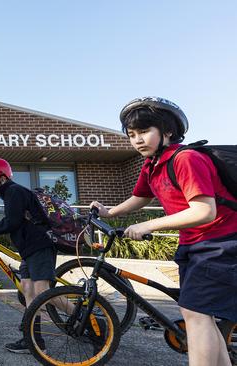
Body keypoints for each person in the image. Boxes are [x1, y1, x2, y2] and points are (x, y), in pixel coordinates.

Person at [91, 97, 237, 366]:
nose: (137, 140)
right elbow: (140, 199)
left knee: (195, 313)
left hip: (220, 244)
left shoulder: (186, 159)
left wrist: (149, 225)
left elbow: (205, 211)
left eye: (144, 131)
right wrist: (108, 212)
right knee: (199, 315)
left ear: (167, 131)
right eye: (132, 135)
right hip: (195, 246)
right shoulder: (152, 165)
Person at [0, 158, 56, 354]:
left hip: (39, 246)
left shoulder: (14, 191)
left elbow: (13, 222)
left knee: (43, 294)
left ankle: (92, 324)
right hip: (29, 250)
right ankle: (33, 338)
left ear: (2, 178)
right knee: (27, 289)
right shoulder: (9, 194)